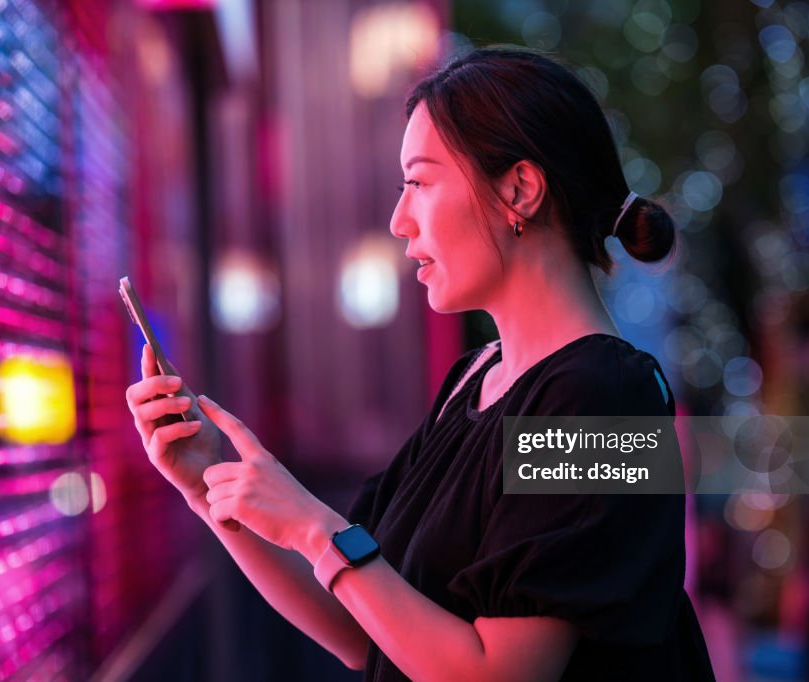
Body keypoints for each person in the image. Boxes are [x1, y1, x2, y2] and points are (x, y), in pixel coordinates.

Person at [125, 47, 715, 681]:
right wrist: (215, 488)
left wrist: (315, 527)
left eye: (419, 181)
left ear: (519, 189)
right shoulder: (475, 379)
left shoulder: (603, 395)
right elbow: (365, 628)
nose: (399, 220)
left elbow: (499, 674)